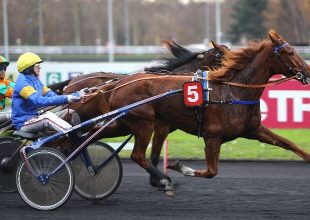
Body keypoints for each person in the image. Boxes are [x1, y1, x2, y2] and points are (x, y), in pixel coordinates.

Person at [11, 52, 86, 133]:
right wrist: (67, 98)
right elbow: (39, 101)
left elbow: (51, 95)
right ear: (29, 68)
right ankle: (72, 135)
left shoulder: (35, 80)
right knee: (47, 117)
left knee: (69, 112)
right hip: (24, 122)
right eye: (37, 65)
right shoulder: (22, 83)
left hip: (34, 118)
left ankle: (71, 138)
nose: (40, 68)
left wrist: (77, 94)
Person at [0, 55, 14, 124]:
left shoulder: (3, 81)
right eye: (0, 69)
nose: (3, 71)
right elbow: (11, 92)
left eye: (4, 68)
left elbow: (16, 86)